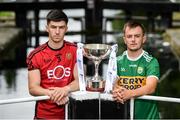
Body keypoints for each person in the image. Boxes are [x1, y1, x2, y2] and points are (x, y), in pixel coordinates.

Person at [26, 9, 79, 119]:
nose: (57, 31)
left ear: (66, 29)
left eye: (61, 27)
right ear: (47, 28)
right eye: (53, 27)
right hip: (44, 116)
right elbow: (33, 88)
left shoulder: (75, 51)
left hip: (70, 114)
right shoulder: (35, 55)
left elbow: (79, 82)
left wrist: (65, 89)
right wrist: (54, 94)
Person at [112, 20, 160, 119]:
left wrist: (129, 94)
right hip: (124, 116)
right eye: (129, 36)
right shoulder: (117, 61)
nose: (133, 40)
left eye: (137, 36)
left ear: (144, 38)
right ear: (124, 40)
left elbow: (151, 88)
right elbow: (113, 83)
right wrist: (116, 90)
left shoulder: (151, 62)